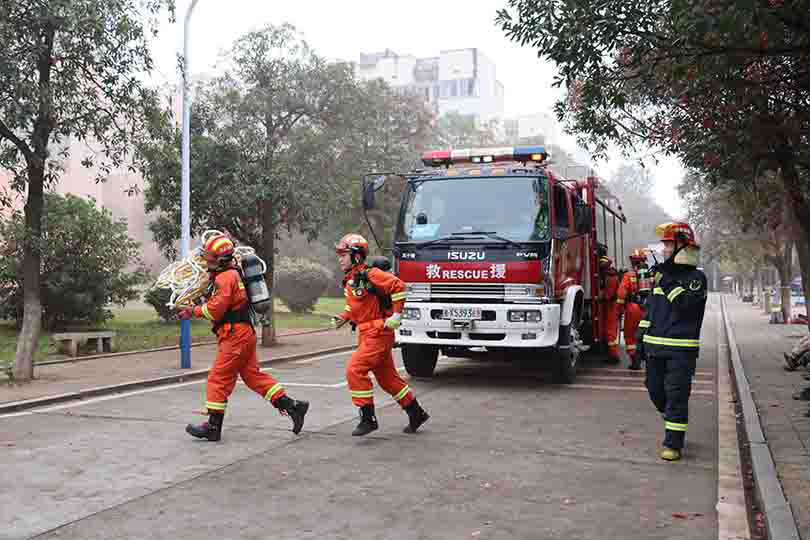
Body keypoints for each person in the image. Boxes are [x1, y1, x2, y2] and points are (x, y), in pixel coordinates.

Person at [179, 232, 309, 441]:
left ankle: (213, 427)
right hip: (244, 333)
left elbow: (215, 310)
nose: (206, 261)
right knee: (252, 376)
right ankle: (293, 407)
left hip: (234, 336)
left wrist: (192, 311)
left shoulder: (225, 277)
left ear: (221, 260)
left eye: (210, 258)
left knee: (218, 379)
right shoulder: (234, 273)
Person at [333, 233, 430, 436]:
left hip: (378, 333)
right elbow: (354, 307)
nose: (339, 259)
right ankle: (416, 412)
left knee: (355, 370)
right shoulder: (351, 280)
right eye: (339, 255)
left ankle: (368, 418)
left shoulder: (371, 274)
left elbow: (399, 285)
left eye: (343, 254)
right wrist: (343, 317)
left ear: (356, 256)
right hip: (367, 333)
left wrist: (397, 314)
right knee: (388, 379)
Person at [636, 222, 707, 461]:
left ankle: (673, 444)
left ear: (682, 247)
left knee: (676, 395)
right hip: (655, 347)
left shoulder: (696, 278)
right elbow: (651, 311)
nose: (664, 249)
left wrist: (666, 281)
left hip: (681, 350)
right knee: (655, 390)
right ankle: (673, 417)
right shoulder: (661, 278)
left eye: (668, 245)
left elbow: (685, 306)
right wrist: (640, 338)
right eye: (664, 245)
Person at [616, 249, 649, 370]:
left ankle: (635, 361)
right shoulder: (651, 275)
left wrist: (619, 310)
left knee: (630, 335)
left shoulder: (628, 275)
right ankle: (647, 357)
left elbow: (621, 294)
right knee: (646, 334)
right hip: (648, 308)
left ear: (632, 261)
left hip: (633, 308)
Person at [597, 252, 621, 363]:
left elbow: (609, 295)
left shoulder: (610, 276)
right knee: (610, 330)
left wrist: (601, 297)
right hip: (611, 305)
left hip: (611, 306)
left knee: (611, 331)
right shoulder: (611, 275)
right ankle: (611, 353)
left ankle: (614, 355)